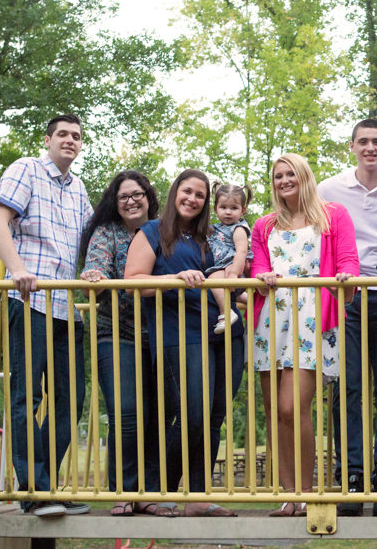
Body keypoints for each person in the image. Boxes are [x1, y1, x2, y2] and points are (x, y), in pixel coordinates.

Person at [0, 114, 92, 517]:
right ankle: (33, 490)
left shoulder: (78, 188)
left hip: (67, 308)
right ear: (48, 139)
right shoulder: (26, 169)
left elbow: (88, 241)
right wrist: (17, 270)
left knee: (71, 400)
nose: (70, 140)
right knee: (26, 396)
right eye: (63, 134)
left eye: (77, 137)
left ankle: (45, 484)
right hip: (30, 299)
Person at [124, 169, 244, 517]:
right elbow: (132, 282)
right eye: (187, 192)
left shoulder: (214, 236)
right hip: (181, 332)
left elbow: (231, 274)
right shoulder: (153, 232)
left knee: (214, 417)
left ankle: (199, 499)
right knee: (193, 413)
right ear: (175, 192)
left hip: (227, 332)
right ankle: (151, 488)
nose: (193, 199)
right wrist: (172, 278)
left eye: (200, 195)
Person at [251, 153, 359, 517]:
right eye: (278, 175)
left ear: (304, 176)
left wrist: (346, 279)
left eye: (290, 174)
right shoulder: (264, 224)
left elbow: (347, 261)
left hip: (313, 315)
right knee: (274, 412)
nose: (284, 180)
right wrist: (261, 276)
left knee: (292, 406)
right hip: (272, 319)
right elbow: (260, 265)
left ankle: (306, 492)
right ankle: (288, 496)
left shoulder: (332, 215)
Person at [317, 119, 377, 516]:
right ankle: (352, 477)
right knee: (348, 390)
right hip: (345, 298)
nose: (370, 148)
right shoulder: (329, 189)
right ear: (352, 146)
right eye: (364, 142)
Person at [79, 170, 163, 516]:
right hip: (116, 331)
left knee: (159, 415)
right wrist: (94, 277)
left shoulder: (163, 230)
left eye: (137, 194)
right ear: (115, 204)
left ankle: (153, 493)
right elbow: (95, 270)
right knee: (126, 412)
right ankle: (125, 490)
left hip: (160, 334)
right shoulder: (107, 234)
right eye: (123, 197)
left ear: (149, 197)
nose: (131, 201)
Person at [206, 183, 253, 334]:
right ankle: (255, 302)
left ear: (242, 210)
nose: (228, 212)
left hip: (233, 266)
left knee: (214, 278)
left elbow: (241, 251)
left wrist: (234, 273)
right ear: (215, 209)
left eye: (234, 208)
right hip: (223, 265)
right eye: (223, 207)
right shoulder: (214, 228)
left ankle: (226, 313)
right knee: (236, 294)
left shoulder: (238, 229)